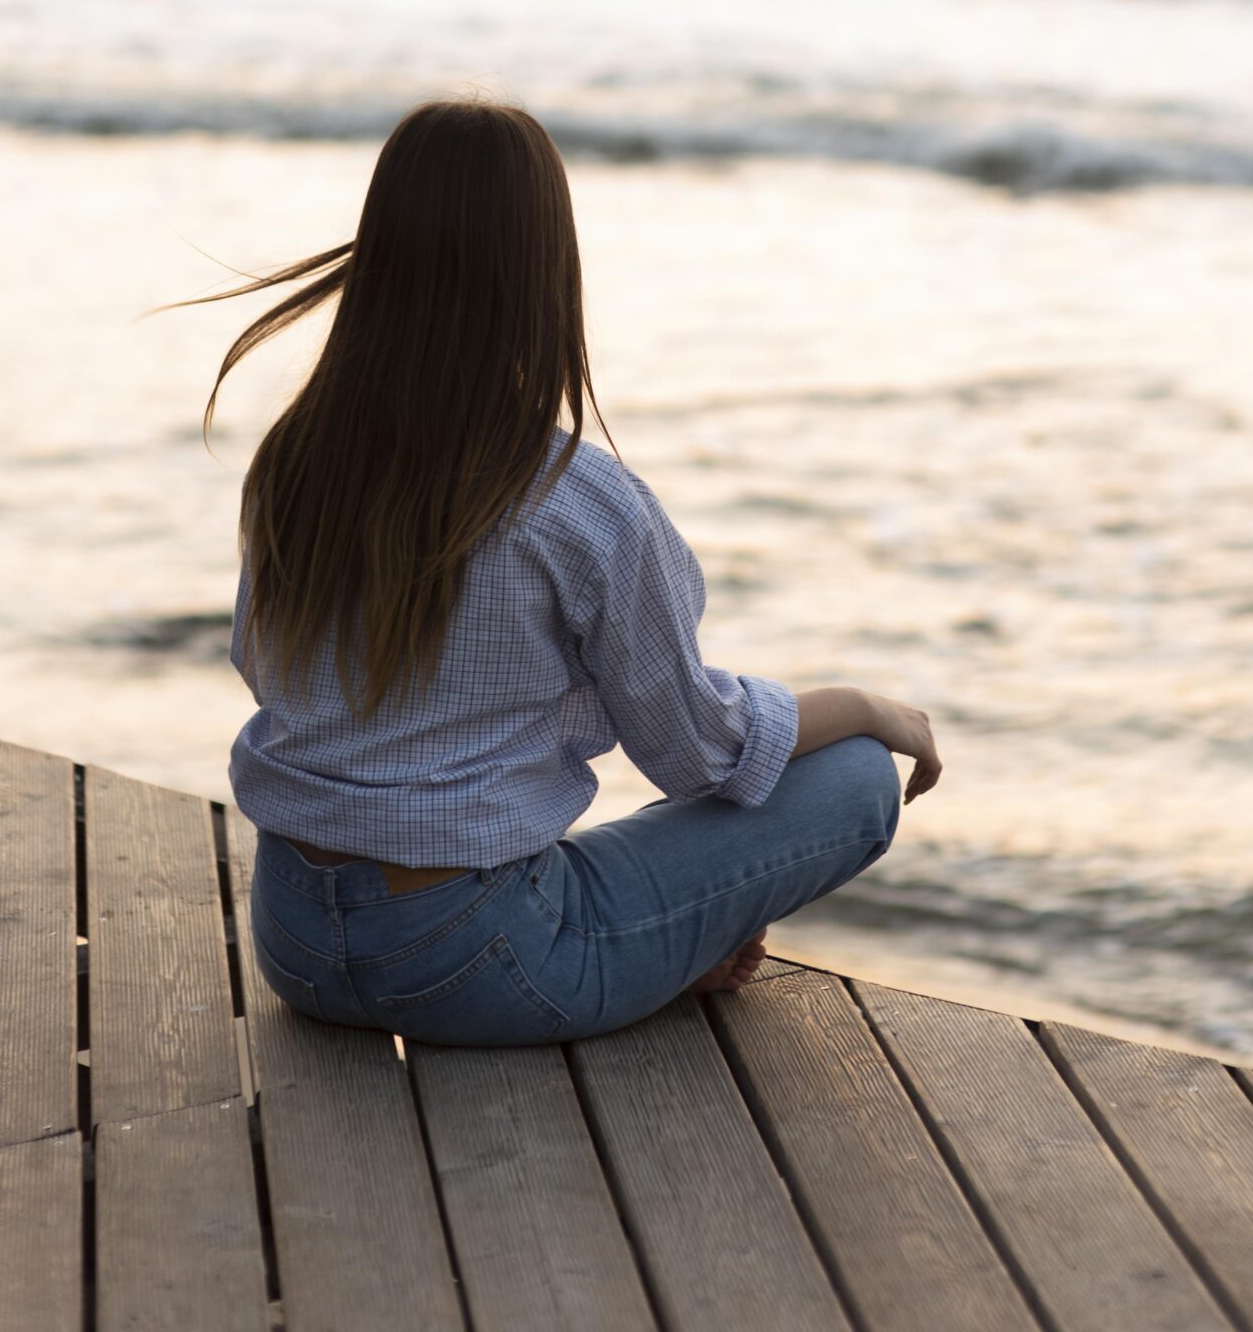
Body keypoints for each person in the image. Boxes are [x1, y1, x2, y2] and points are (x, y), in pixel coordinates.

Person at [182, 99, 941, 1047]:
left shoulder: (296, 460)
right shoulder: (580, 500)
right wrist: (868, 708)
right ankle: (667, 949)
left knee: (528, 819)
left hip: (294, 940)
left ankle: (666, 944)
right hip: (482, 961)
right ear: (543, 270)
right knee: (855, 780)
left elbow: (266, 672)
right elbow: (697, 750)